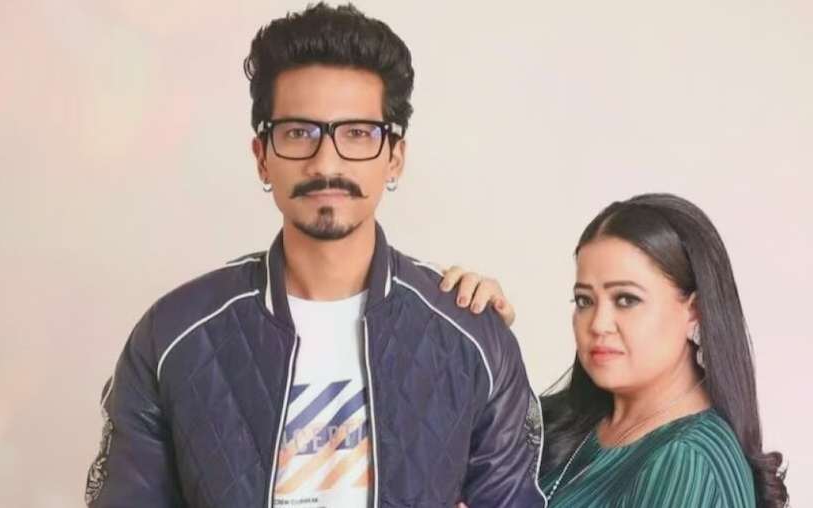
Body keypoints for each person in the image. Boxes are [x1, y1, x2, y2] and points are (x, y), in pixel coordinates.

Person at [83, 4, 547, 508]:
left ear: (395, 157)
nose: (326, 163)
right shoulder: (174, 334)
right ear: (262, 157)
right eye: (298, 133)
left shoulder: (471, 337)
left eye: (357, 134)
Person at [445, 192, 789, 507]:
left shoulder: (690, 462)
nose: (598, 323)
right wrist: (473, 330)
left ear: (695, 313)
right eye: (585, 300)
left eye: (626, 299)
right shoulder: (569, 422)